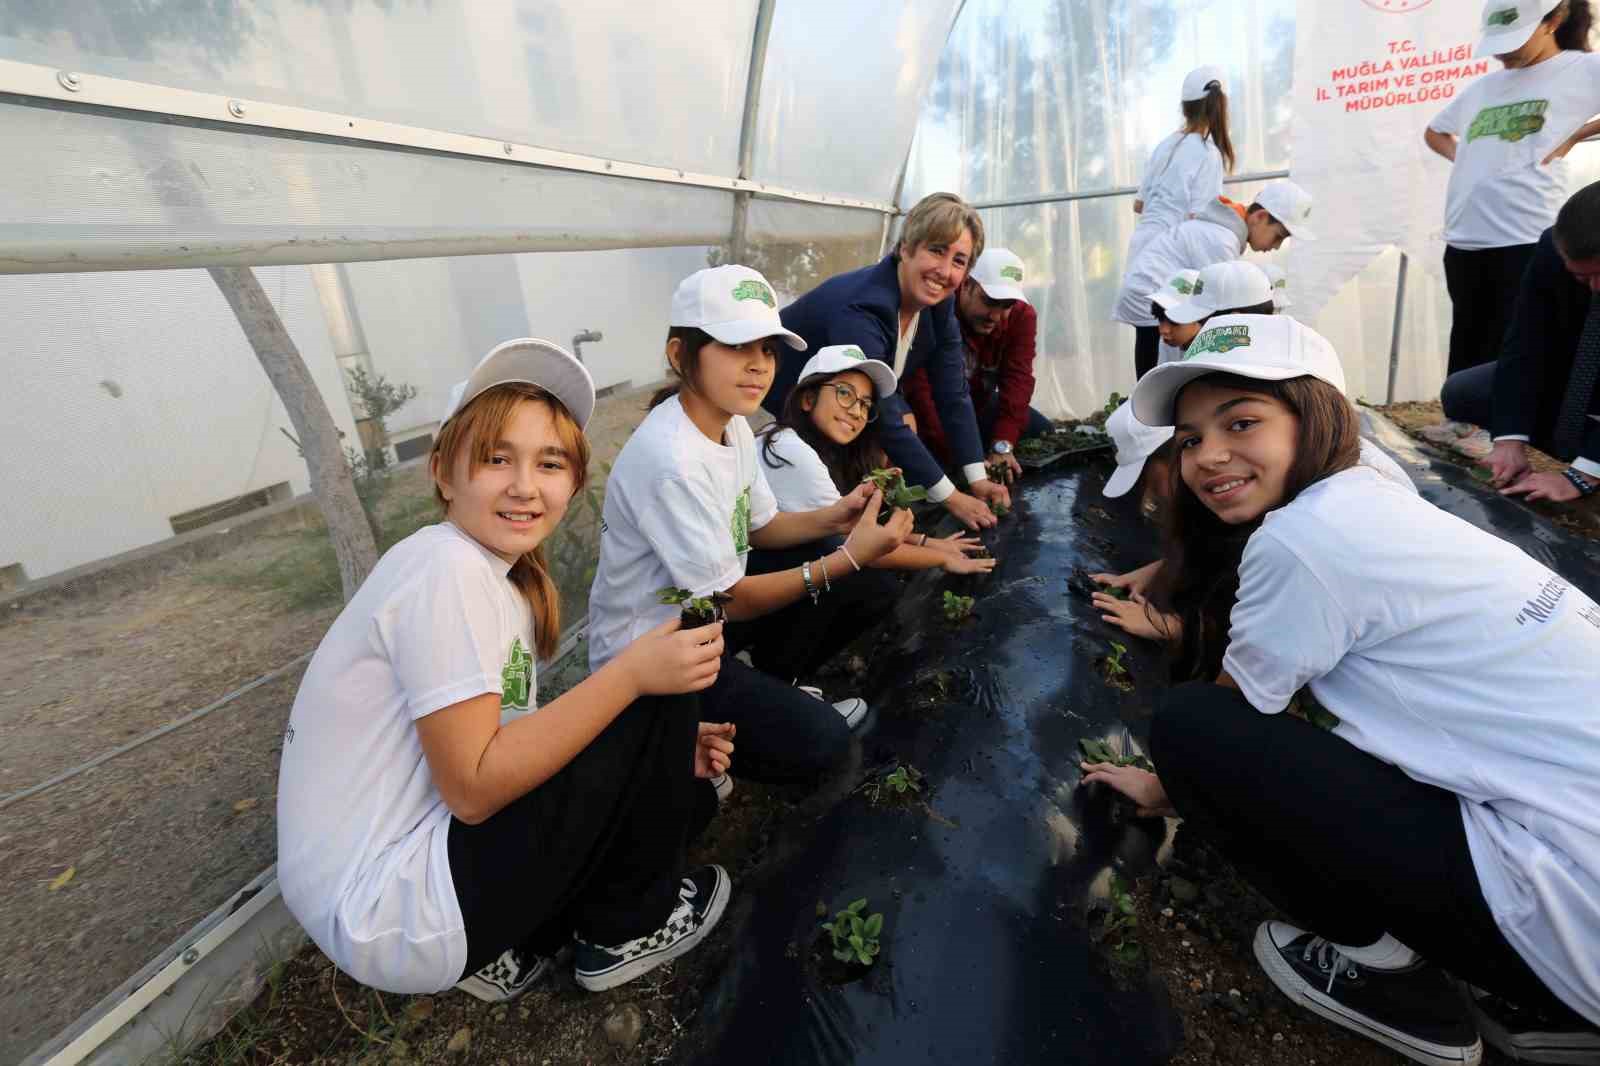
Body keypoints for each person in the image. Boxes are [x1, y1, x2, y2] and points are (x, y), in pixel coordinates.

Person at [1083, 313, 1600, 1065]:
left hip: (1577, 912)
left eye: (1242, 421)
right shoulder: (1372, 486)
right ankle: (1546, 1004)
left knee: (1195, 727)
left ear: (1316, 413)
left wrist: (1165, 786)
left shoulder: (1301, 539)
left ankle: (1396, 983)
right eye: (1191, 438)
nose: (1208, 456)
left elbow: (1235, 715)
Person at [277, 339, 737, 1002]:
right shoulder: (447, 571)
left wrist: (642, 758)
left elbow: (511, 749)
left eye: (549, 463)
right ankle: (624, 931)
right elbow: (474, 787)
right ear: (444, 472)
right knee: (654, 672)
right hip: (392, 909)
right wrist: (632, 683)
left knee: (678, 791)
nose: (525, 486)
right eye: (497, 459)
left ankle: (510, 944)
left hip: (393, 889)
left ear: (573, 483)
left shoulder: (495, 578)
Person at [588, 266, 913, 791]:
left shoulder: (733, 424)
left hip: (704, 616)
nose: (759, 366)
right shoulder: (671, 461)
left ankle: (774, 684)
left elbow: (763, 527)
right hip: (655, 651)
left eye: (768, 350)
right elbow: (728, 600)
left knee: (864, 578)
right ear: (679, 355)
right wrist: (847, 556)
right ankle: (674, 752)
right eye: (737, 346)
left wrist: (840, 515)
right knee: (825, 745)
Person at [742, 345, 997, 677]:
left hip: (762, 574)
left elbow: (849, 531)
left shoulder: (813, 447)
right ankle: (779, 672)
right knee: (871, 586)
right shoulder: (792, 452)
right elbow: (858, 547)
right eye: (845, 394)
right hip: (741, 592)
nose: (857, 411)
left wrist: (929, 543)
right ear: (807, 399)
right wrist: (941, 557)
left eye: (865, 404)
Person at [770, 192, 1010, 530]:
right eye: (937, 250)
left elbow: (953, 393)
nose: (944, 271)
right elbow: (882, 413)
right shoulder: (864, 307)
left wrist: (977, 478)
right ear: (905, 248)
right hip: (790, 398)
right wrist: (951, 497)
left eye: (959, 261)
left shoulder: (938, 306)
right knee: (822, 502)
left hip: (837, 397)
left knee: (899, 428)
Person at [1425, 0, 1599, 387]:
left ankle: (1507, 428)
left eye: (1514, 40)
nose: (1504, 51)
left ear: (1552, 21)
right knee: (1468, 333)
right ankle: (1462, 423)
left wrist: (1576, 133)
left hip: (1523, 232)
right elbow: (1435, 131)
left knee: (1515, 338)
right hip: (1465, 234)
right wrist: (1468, 160)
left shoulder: (1583, 69)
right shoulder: (1484, 87)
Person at [1441, 179, 1600, 504]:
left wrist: (1583, 474)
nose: (1595, 287)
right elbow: (1525, 342)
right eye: (1582, 278)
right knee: (1465, 392)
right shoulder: (1550, 249)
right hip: (1581, 377)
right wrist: (1509, 439)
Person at [1112, 180, 1317, 379]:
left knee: (1154, 356)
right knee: (1164, 365)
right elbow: (1219, 304)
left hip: (1145, 290)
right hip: (1153, 292)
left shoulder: (1220, 233)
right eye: (1279, 236)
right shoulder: (1220, 240)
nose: (1276, 246)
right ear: (1260, 216)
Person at [900, 247, 1052, 481]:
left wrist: (1003, 444)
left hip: (978, 403)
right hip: (931, 411)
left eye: (1007, 305)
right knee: (930, 467)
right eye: (990, 301)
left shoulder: (1022, 316)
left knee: (1043, 431)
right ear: (966, 284)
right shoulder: (937, 307)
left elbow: (1018, 380)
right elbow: (922, 391)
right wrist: (964, 459)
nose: (996, 315)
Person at [1127, 65, 1236, 266]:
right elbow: (1200, 219)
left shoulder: (1164, 145)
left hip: (1139, 249)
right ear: (1220, 106)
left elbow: (1139, 204)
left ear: (1185, 108)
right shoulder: (1208, 154)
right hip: (1168, 254)